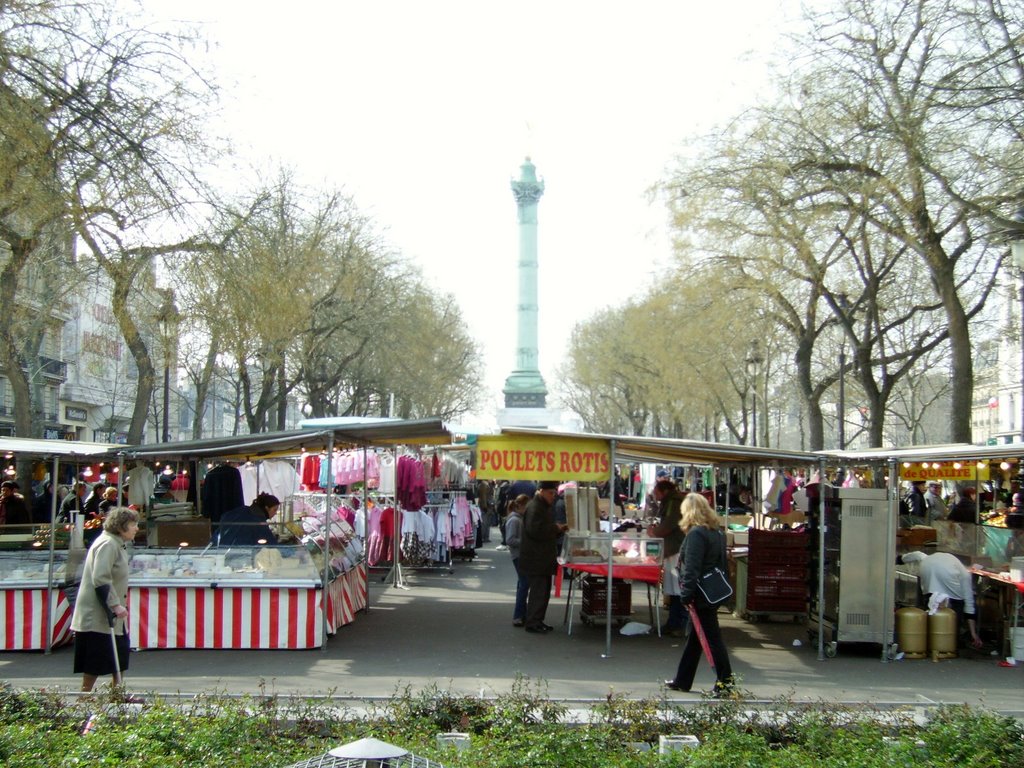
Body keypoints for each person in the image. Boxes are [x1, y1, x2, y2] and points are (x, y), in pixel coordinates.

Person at [664, 493, 734, 695]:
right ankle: (682, 680)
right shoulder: (716, 532)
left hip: (700, 594)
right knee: (695, 639)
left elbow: (691, 568)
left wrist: (686, 595)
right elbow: (721, 563)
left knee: (711, 640)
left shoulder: (696, 534)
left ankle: (725, 683)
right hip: (712, 591)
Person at [70, 506, 139, 692]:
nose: (136, 528)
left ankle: (117, 692)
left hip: (110, 614)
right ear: (121, 526)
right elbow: (100, 577)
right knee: (96, 657)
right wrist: (115, 605)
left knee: (121, 652)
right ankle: (85, 695)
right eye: (133, 524)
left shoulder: (117, 543)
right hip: (97, 613)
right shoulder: (108, 544)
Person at [901, 550, 983, 649]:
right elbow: (969, 605)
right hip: (949, 584)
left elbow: (917, 554)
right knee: (954, 613)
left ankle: (928, 641)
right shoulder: (965, 576)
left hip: (927, 570)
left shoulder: (928, 558)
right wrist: (973, 633)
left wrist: (900, 559)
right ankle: (950, 642)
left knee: (932, 608)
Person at [519, 481, 569, 634]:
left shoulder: (541, 506)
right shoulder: (535, 507)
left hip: (542, 557)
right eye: (551, 493)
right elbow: (536, 530)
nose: (553, 496)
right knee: (539, 591)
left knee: (543, 591)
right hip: (536, 557)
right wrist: (556, 528)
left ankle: (537, 620)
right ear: (541, 491)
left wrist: (558, 529)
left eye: (554, 493)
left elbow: (542, 529)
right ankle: (533, 622)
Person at [647, 479, 686, 636]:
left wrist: (654, 533)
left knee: (678, 589)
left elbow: (669, 524)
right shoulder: (671, 501)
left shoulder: (674, 502)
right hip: (672, 550)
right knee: (674, 590)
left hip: (676, 550)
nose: (655, 496)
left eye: (657, 493)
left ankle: (679, 625)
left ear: (665, 492)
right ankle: (673, 623)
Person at [504, 493, 531, 627]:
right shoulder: (514, 520)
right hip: (518, 555)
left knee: (523, 584)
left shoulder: (518, 518)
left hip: (521, 555)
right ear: (521, 506)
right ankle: (519, 615)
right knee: (524, 584)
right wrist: (525, 541)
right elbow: (510, 540)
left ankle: (521, 614)